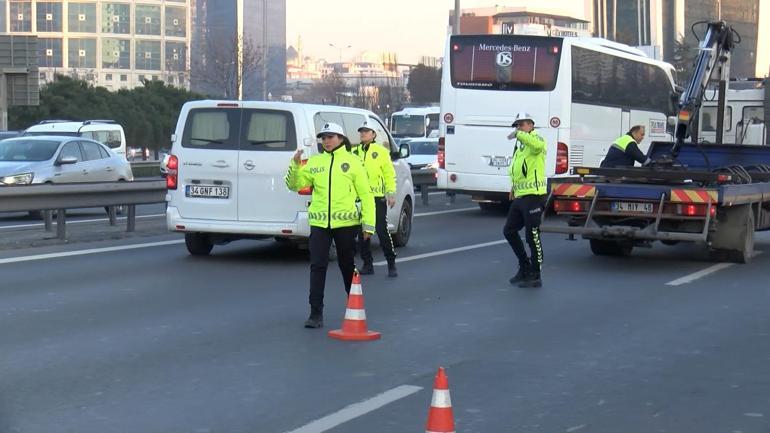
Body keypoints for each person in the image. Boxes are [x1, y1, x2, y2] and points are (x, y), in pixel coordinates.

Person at [285, 123, 375, 328]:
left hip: (346, 224)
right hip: (319, 224)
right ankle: (315, 313)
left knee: (346, 265)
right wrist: (295, 165)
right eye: (323, 138)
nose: (326, 141)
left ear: (341, 138)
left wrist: (368, 226)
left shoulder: (353, 162)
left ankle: (354, 305)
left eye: (330, 137)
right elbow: (295, 185)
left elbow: (366, 195)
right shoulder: (315, 162)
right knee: (317, 265)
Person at [503, 112, 547, 288]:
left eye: (521, 125)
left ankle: (536, 274)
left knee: (532, 235)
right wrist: (513, 187)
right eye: (516, 126)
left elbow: (536, 147)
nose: (518, 129)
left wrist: (520, 135)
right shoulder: (520, 145)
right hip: (521, 195)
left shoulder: (538, 139)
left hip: (534, 195)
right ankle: (525, 266)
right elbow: (517, 168)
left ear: (530, 124)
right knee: (509, 230)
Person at [351, 120, 398, 277]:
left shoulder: (381, 152)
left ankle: (391, 263)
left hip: (377, 198)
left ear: (373, 134)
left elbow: (389, 174)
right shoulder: (354, 152)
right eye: (361, 131)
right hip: (360, 199)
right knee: (362, 231)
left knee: (381, 230)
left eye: (366, 131)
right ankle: (367, 264)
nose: (363, 134)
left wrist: (391, 193)